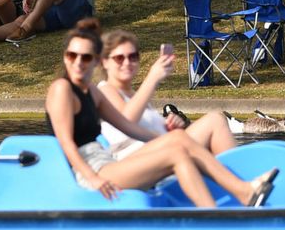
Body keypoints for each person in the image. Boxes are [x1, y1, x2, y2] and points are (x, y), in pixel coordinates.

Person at [45, 25, 277, 206]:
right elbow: (66, 142)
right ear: (66, 56)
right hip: (92, 171)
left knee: (178, 144)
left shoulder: (92, 91)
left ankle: (236, 196)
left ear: (94, 60)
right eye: (72, 55)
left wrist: (176, 139)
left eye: (85, 57)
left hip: (107, 162)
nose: (78, 62)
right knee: (177, 148)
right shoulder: (61, 88)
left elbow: (129, 126)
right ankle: (227, 205)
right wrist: (93, 178)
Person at [97, 26, 239, 156]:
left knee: (217, 119)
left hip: (161, 149)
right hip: (136, 157)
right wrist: (152, 78)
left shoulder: (134, 94)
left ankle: (232, 177)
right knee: (215, 121)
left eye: (132, 57)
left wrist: (170, 126)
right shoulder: (105, 90)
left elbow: (146, 127)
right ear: (105, 61)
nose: (127, 62)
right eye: (119, 58)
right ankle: (237, 178)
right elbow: (126, 120)